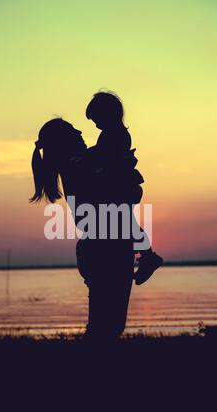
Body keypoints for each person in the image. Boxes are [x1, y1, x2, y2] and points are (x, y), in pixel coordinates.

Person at [30, 118, 141, 339]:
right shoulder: (78, 165)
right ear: (64, 142)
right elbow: (119, 197)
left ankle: (89, 366)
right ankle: (89, 368)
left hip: (101, 247)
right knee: (107, 327)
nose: (81, 132)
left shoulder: (79, 163)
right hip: (106, 249)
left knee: (105, 325)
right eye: (74, 132)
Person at [85, 91, 163, 285]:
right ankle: (147, 255)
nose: (95, 124)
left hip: (119, 187)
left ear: (108, 114)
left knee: (127, 223)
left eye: (97, 119)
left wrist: (86, 158)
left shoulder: (116, 134)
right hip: (119, 186)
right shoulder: (113, 133)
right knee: (128, 222)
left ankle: (148, 256)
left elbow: (106, 157)